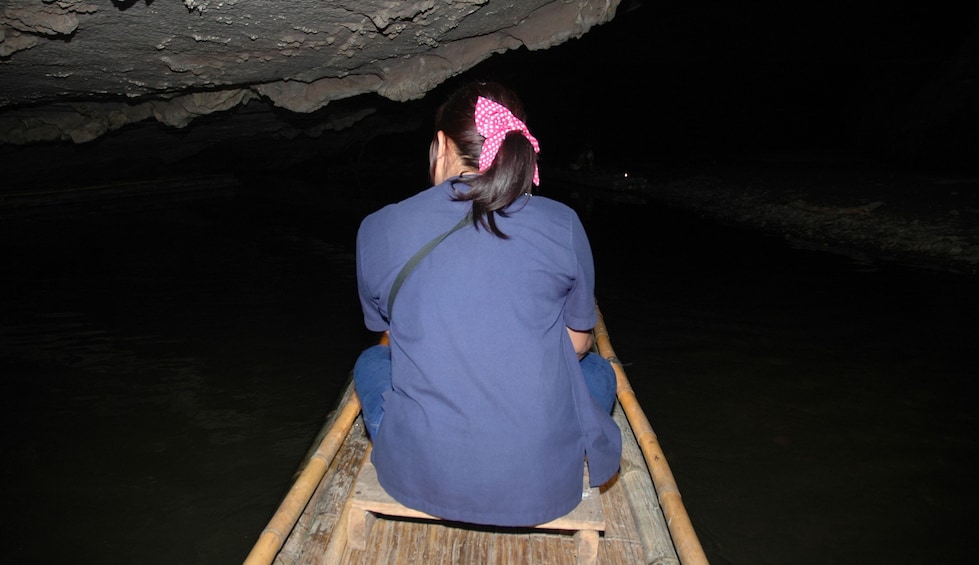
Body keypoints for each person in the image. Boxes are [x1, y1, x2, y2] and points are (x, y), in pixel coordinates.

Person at [353, 81, 622, 528]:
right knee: (598, 371)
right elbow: (577, 345)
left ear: (440, 146)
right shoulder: (563, 223)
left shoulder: (379, 227)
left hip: (418, 476)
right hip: (543, 487)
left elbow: (384, 327)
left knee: (371, 359)